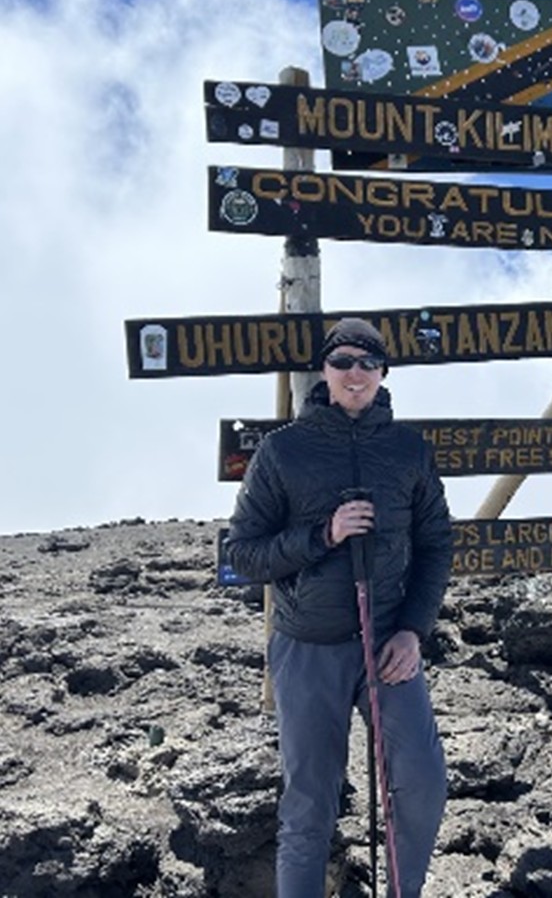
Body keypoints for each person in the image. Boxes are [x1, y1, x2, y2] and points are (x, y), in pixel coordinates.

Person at [226, 317, 453, 898]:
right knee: (309, 803)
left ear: (383, 373)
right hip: (308, 648)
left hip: (389, 646)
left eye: (368, 362)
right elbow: (243, 555)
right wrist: (322, 535)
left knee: (422, 784)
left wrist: (413, 631)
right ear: (324, 371)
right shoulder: (283, 451)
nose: (355, 373)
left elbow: (435, 544)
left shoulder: (408, 449)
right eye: (344, 361)